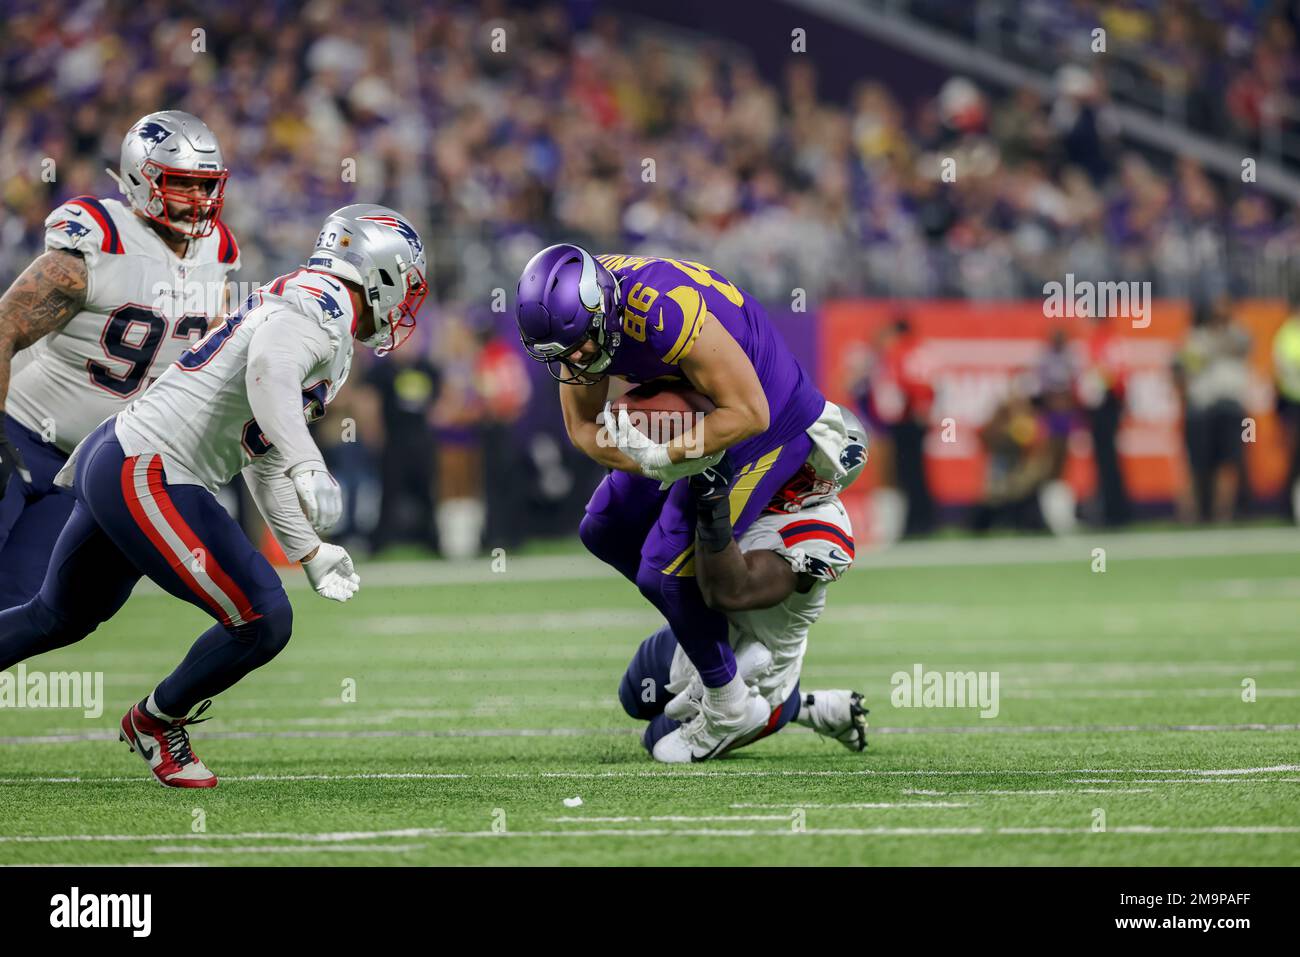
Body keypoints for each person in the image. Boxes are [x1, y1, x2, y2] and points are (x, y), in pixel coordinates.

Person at [0, 204, 428, 788]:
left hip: (123, 456)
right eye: (406, 284)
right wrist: (311, 462)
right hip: (149, 468)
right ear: (380, 270)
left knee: (54, 616)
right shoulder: (320, 304)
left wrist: (308, 549)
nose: (405, 303)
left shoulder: (322, 316)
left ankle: (155, 719)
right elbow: (270, 374)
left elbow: (263, 448)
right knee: (263, 618)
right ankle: (155, 721)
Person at [515, 246, 853, 762]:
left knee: (665, 570)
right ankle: (721, 665)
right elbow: (583, 430)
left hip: (766, 421)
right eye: (563, 353)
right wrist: (648, 458)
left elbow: (750, 413)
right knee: (602, 527)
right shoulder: (575, 325)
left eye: (582, 345)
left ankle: (728, 701)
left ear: (604, 307)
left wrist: (664, 455)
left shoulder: (663, 309)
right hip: (701, 411)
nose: (578, 361)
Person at [0, 111, 239, 609]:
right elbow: (4, 330)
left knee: (19, 602)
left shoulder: (217, 252)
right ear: (141, 179)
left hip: (86, 465)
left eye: (206, 186)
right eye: (181, 185)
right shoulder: (101, 238)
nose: (199, 200)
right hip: (17, 434)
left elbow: (205, 357)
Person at [619, 409, 870, 759]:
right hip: (703, 636)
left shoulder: (821, 534)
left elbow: (730, 592)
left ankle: (784, 707)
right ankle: (814, 708)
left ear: (822, 475)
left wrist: (714, 503)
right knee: (634, 697)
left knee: (655, 740)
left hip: (762, 678)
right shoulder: (756, 483)